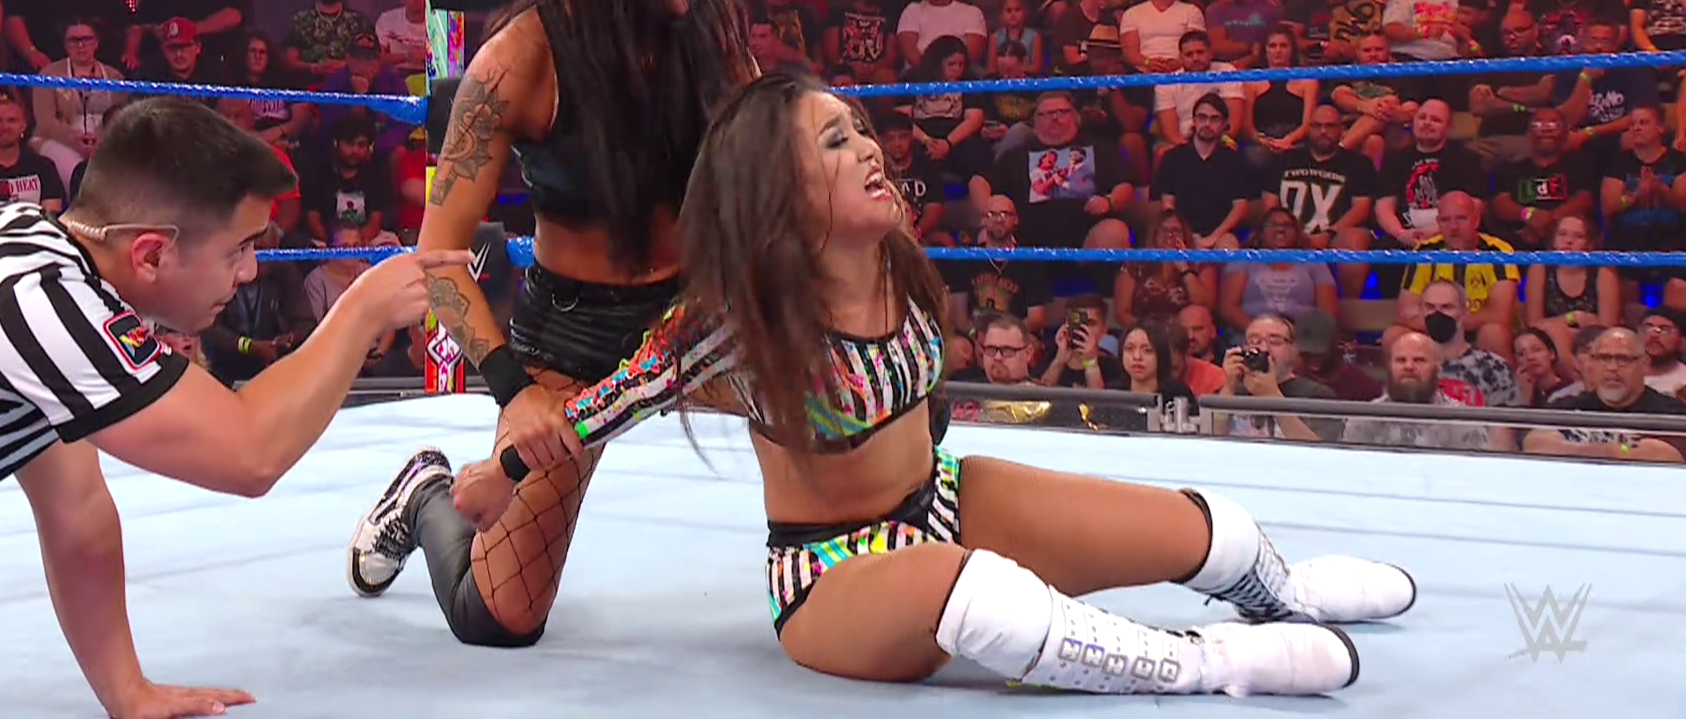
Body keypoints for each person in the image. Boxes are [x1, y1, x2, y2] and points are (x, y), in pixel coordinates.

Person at [444, 74, 1413, 697]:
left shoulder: (898, 259)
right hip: (833, 576)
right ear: (778, 195)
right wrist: (502, 473)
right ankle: (1204, 665)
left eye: (859, 129)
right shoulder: (739, 318)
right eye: (834, 142)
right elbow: (608, 402)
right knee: (985, 599)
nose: (869, 148)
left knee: (1211, 527)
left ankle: (1280, 594)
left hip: (943, 502)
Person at [0, 97, 460, 719]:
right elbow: (251, 452)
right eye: (238, 248)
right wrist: (360, 311)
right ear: (151, 253)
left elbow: (77, 507)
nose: (250, 271)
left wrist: (126, 692)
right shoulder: (44, 304)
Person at [345, 0, 756, 647]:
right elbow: (439, 258)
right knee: (500, 615)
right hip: (574, 336)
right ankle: (425, 496)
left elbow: (763, 169)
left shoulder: (711, 23)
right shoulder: (519, 60)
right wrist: (515, 390)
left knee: (849, 412)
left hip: (697, 317)